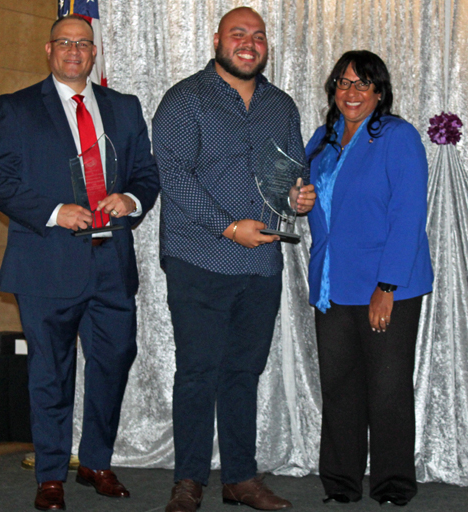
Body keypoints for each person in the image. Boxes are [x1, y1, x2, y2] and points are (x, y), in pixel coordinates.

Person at [0, 15, 159, 511]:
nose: (75, 51)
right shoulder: (17, 108)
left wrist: (132, 199)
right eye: (65, 42)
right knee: (51, 374)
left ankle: (97, 463)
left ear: (94, 52)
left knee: (112, 364)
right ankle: (52, 472)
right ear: (49, 49)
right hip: (46, 266)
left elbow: (147, 173)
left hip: (112, 265)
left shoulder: (124, 107)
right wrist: (56, 212)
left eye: (84, 43)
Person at [152, 6, 315, 512]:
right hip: (198, 259)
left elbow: (290, 174)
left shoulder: (281, 106)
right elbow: (174, 178)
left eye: (258, 36)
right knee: (198, 372)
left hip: (261, 264)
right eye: (238, 34)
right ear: (217, 40)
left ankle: (241, 478)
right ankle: (189, 481)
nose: (249, 43)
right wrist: (228, 227)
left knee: (244, 373)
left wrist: (298, 198)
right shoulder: (184, 99)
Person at [305, 50, 433, 506]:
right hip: (333, 283)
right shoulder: (321, 139)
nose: (351, 92)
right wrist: (299, 200)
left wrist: (388, 286)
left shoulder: (398, 137)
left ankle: (392, 484)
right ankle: (340, 483)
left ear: (379, 91)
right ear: (332, 90)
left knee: (387, 389)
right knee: (339, 388)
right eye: (343, 82)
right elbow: (310, 201)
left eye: (362, 84)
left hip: (385, 285)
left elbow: (408, 215)